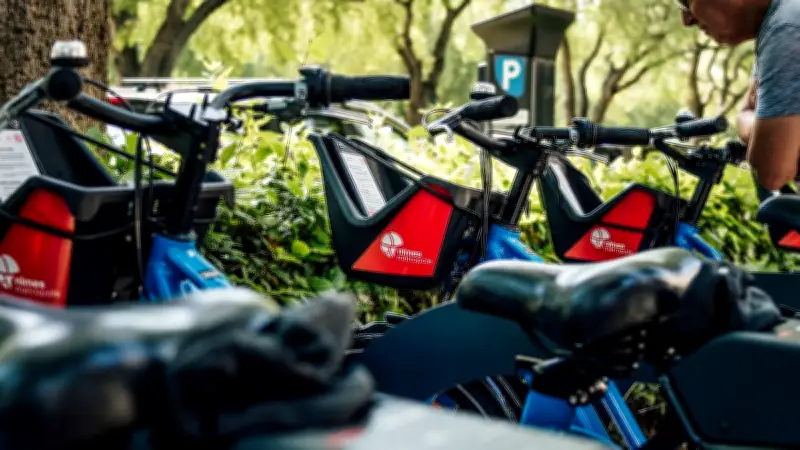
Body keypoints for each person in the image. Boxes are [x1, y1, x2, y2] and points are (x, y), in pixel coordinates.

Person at [679, 0, 800, 190]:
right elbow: (745, 113)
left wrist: (769, 137)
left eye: (684, 1)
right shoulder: (777, 22)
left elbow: (772, 171)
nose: (686, 20)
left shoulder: (786, 29)